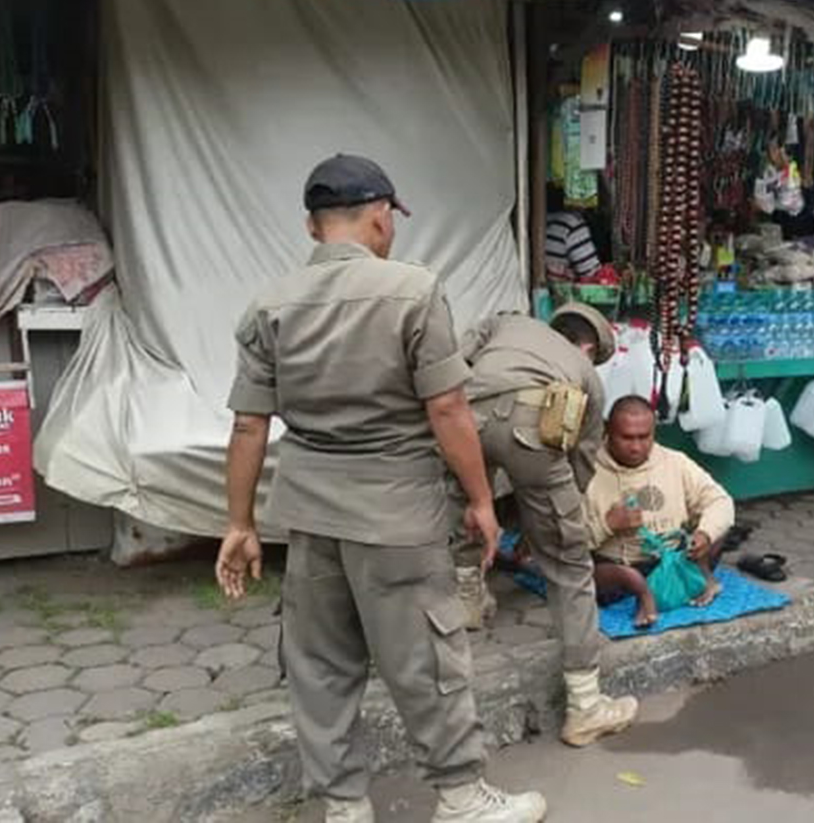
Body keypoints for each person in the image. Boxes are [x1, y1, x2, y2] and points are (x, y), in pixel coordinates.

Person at [215, 154, 545, 823]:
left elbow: (250, 424)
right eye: (391, 216)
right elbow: (448, 410)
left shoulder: (269, 305)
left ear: (313, 226)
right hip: (397, 513)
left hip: (310, 514)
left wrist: (239, 524)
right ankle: (459, 798)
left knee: (320, 666)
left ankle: (343, 809)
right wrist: (482, 501)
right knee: (426, 659)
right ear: (380, 216)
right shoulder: (414, 291)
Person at [456, 303, 639, 748]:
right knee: (570, 568)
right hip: (535, 425)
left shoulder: (505, 321)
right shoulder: (587, 377)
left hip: (462, 414)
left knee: (463, 506)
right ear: (589, 346)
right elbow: (580, 461)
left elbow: (456, 356)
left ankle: (467, 600)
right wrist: (551, 529)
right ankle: (585, 705)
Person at [585, 396, 735, 628]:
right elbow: (563, 541)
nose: (636, 447)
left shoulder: (675, 462)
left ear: (654, 432)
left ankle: (699, 576)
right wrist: (608, 525)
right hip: (617, 567)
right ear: (607, 431)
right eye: (626, 437)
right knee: (577, 572)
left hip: (674, 558)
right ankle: (642, 589)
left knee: (718, 528)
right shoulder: (585, 470)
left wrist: (705, 534)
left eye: (644, 437)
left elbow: (720, 501)